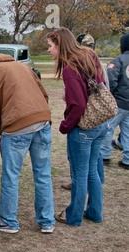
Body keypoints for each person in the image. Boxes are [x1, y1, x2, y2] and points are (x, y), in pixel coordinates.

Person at [0, 45, 55, 234]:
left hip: (16, 127)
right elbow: (43, 94)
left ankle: (8, 221)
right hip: (42, 122)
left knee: (11, 176)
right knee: (43, 174)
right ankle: (47, 221)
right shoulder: (23, 66)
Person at [47, 27, 107, 226]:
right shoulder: (89, 55)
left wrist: (65, 126)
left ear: (60, 45)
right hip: (100, 122)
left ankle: (73, 216)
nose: (48, 50)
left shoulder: (70, 68)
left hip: (83, 128)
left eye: (50, 46)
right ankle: (95, 212)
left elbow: (78, 104)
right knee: (92, 172)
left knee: (80, 174)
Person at [60, 32, 107, 190]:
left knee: (81, 171)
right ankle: (95, 205)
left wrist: (66, 125)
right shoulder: (96, 62)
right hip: (100, 118)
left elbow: (79, 103)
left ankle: (75, 212)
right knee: (93, 168)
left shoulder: (74, 66)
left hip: (85, 122)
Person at [100, 33, 129, 170]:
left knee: (108, 128)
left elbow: (110, 81)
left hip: (118, 103)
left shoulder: (118, 61)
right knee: (128, 132)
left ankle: (105, 155)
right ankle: (127, 160)